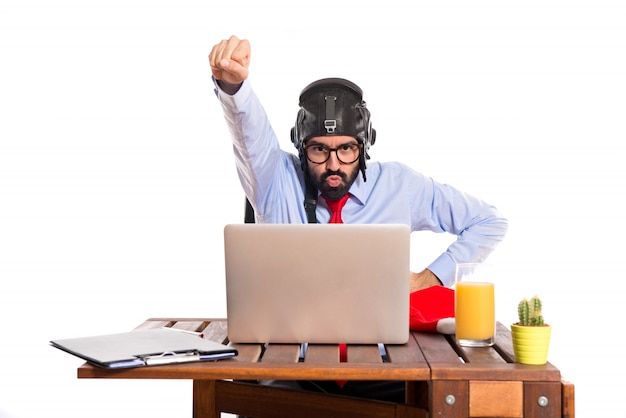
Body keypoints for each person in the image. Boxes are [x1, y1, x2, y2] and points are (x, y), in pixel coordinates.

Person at [209, 35, 508, 402]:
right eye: (319, 149)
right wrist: (233, 85)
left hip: (385, 366)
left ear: (364, 146)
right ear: (301, 148)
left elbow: (488, 221)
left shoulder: (400, 185)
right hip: (290, 366)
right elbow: (248, 133)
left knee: (452, 399)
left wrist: (430, 279)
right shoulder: (273, 177)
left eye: (346, 149)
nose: (333, 164)